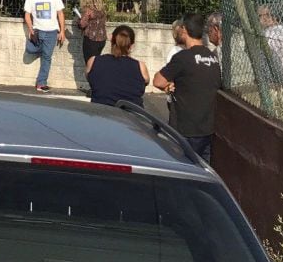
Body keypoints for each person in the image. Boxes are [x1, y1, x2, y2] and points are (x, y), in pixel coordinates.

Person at [153, 13, 221, 161]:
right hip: (207, 129)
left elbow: (158, 81)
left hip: (185, 130)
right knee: (203, 171)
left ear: (184, 30)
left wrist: (169, 84)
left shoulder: (182, 58)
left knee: (182, 167)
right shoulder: (213, 57)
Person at [86, 25, 149, 106]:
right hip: (131, 115)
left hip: (101, 114)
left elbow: (90, 78)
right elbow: (146, 81)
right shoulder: (141, 66)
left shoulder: (93, 61)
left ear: (111, 39)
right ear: (132, 45)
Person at [23, 0, 66, 93]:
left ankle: (41, 83)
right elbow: (27, 14)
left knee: (47, 57)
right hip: (38, 31)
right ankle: (41, 50)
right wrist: (30, 28)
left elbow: (60, 13)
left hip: (52, 32)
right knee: (30, 50)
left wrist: (62, 31)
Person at [77, 0, 107, 67]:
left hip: (91, 40)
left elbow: (82, 25)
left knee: (90, 66)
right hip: (101, 39)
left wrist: (78, 21)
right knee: (96, 63)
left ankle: (93, 79)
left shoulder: (87, 10)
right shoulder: (101, 9)